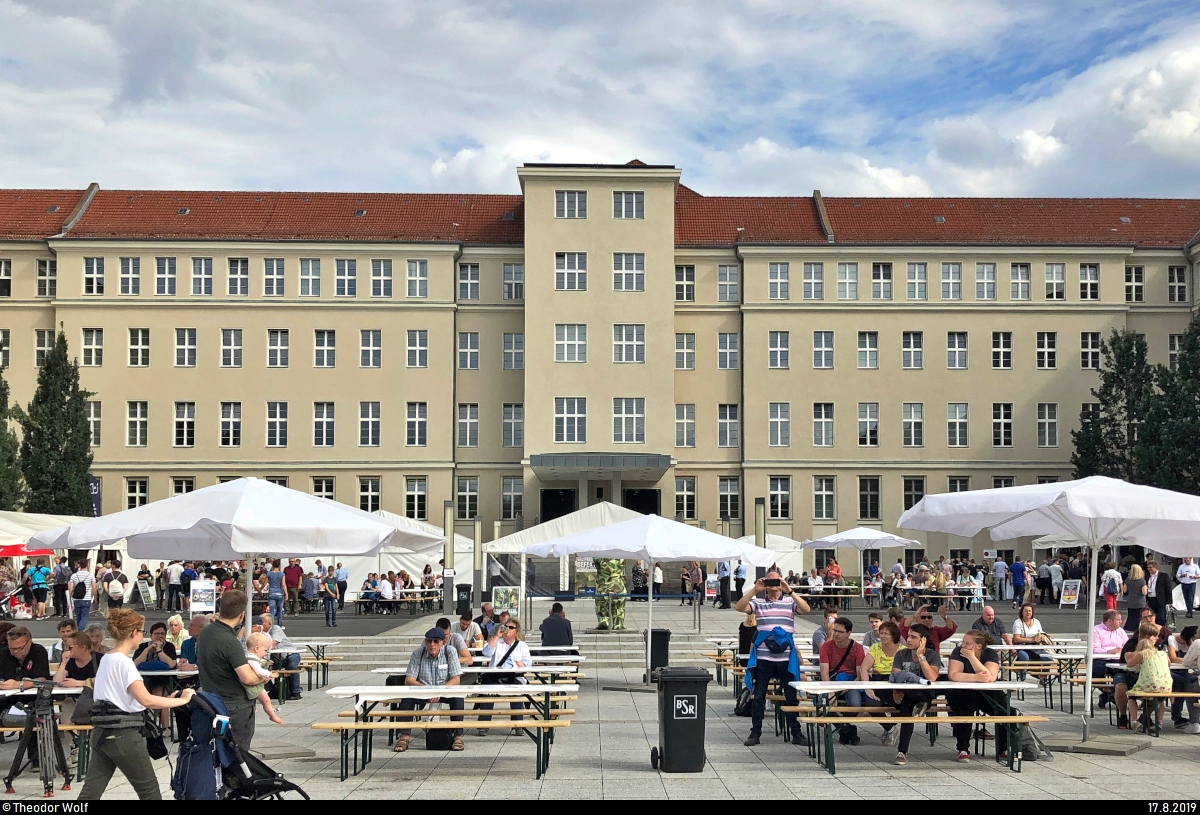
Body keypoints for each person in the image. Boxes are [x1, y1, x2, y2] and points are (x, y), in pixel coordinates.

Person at [76, 609, 194, 799]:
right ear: (133, 633)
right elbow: (146, 699)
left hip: (101, 732)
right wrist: (181, 699)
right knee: (149, 792)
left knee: (91, 791)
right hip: (124, 734)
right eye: (142, 631)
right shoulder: (125, 663)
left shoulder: (106, 658)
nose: (143, 635)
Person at [734, 570, 811, 747]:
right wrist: (754, 590)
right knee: (759, 695)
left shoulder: (790, 602)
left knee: (791, 695)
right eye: (769, 582)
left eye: (776, 581)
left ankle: (796, 733)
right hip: (764, 656)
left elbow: (806, 609)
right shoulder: (758, 602)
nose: (773, 585)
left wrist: (789, 590)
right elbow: (739, 607)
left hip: (786, 657)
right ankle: (755, 732)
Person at [196, 590, 268, 754]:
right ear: (242, 615)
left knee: (216, 755)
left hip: (211, 702)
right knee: (237, 757)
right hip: (235, 707)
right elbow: (248, 678)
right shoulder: (230, 641)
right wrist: (263, 677)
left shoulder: (206, 631)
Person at [392, 627, 465, 752]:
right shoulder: (418, 653)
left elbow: (456, 679)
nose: (432, 644)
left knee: (458, 697)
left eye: (436, 641)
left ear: (443, 642)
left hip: (444, 690)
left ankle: (458, 735)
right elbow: (409, 680)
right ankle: (404, 736)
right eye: (429, 641)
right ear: (425, 642)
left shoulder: (450, 651)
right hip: (422, 690)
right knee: (407, 699)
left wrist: (440, 691)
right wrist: (427, 689)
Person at [945, 629, 1004, 763]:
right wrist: (976, 677)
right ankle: (963, 749)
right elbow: (954, 674)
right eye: (963, 642)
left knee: (1005, 710)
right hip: (962, 692)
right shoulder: (958, 652)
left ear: (978, 646)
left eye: (967, 643)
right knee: (964, 707)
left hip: (986, 693)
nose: (963, 645)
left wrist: (971, 658)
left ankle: (1003, 750)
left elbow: (990, 676)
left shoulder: (990, 654)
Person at [888, 623, 941, 765]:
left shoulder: (932, 655)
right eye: (908, 636)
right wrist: (896, 690)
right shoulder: (901, 654)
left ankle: (902, 752)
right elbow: (895, 675)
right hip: (905, 694)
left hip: (924, 694)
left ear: (923, 640)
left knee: (907, 706)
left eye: (913, 637)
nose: (908, 640)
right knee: (906, 704)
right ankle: (902, 751)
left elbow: (932, 677)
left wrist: (921, 656)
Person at [477, 617, 532, 734]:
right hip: (496, 675)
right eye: (505, 627)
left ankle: (518, 725)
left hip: (514, 676)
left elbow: (528, 663)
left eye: (511, 628)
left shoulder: (522, 645)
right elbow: (486, 652)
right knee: (488, 692)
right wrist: (497, 636)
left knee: (517, 691)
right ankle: (483, 725)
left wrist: (523, 664)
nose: (507, 630)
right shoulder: (497, 642)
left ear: (516, 631)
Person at [820, 616, 866, 746]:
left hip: (852, 682)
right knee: (824, 703)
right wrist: (831, 689)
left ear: (849, 633)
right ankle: (846, 730)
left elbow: (859, 675)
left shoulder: (857, 648)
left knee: (855, 704)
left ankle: (844, 728)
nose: (836, 634)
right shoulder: (826, 647)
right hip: (833, 680)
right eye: (834, 630)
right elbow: (824, 673)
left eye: (840, 632)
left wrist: (846, 688)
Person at [860, 621, 902, 746]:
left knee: (902, 703)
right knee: (871, 704)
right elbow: (864, 668)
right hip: (878, 681)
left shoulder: (903, 650)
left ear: (894, 635)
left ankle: (891, 728)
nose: (882, 635)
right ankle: (889, 728)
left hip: (896, 683)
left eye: (886, 633)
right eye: (881, 632)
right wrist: (867, 688)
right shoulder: (875, 647)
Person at [1127, 622, 1172, 733]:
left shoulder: (1143, 653)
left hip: (1149, 684)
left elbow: (1130, 664)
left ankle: (1135, 721)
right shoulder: (1162, 653)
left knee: (1131, 695)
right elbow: (1169, 664)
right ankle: (1159, 722)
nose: (1157, 638)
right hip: (1166, 686)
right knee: (1160, 699)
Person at [241, 632, 285, 725]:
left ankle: (272, 715)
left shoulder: (250, 656)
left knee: (265, 700)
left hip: (255, 683)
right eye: (265, 650)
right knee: (266, 700)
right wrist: (269, 674)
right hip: (253, 686)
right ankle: (272, 715)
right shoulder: (252, 659)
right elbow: (259, 671)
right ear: (256, 648)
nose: (266, 653)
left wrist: (264, 662)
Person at [1092, 609, 1129, 709]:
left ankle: (1108, 695)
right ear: (1109, 621)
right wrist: (1109, 651)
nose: (1121, 622)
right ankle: (1109, 693)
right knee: (1096, 672)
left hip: (1117, 659)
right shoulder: (1096, 630)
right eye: (1118, 619)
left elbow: (1127, 646)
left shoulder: (1120, 631)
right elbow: (1095, 650)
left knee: (1123, 673)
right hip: (1101, 659)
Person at [260, 613, 303, 700]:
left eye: (262, 622)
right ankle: (272, 689)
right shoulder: (261, 633)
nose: (260, 625)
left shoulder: (276, 629)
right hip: (276, 657)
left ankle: (296, 692)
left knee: (292, 666)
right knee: (260, 667)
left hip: (291, 654)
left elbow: (272, 644)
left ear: (269, 623)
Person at [1146, 560, 1175, 627]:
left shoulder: (1163, 576)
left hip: (1160, 599)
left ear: (1155, 567)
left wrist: (1169, 601)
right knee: (1151, 615)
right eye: (1148, 567)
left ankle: (1161, 628)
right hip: (1150, 599)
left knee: (1161, 616)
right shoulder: (1147, 576)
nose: (1149, 569)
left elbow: (1168, 589)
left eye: (1151, 567)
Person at [69, 560, 95, 630]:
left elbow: (70, 588)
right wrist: (95, 597)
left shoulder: (74, 575)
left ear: (79, 565)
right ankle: (81, 629)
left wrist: (70, 599)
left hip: (76, 598)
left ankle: (79, 629)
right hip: (86, 598)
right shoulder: (90, 575)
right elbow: (94, 587)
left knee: (78, 616)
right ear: (87, 565)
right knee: (84, 615)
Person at [1124, 564, 1148, 632]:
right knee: (1140, 616)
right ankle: (1139, 629)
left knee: (1131, 616)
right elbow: (1144, 593)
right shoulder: (1142, 581)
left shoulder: (1128, 579)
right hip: (1140, 601)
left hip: (1131, 601)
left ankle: (1130, 628)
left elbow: (1125, 590)